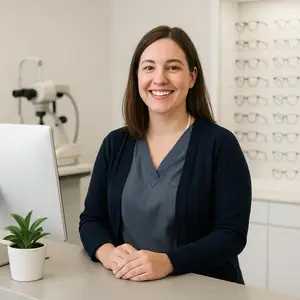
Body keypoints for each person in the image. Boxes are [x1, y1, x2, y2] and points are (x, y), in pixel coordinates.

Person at [79, 25, 252, 284]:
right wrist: (108, 253)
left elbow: (231, 234)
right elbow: (91, 220)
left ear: (192, 77)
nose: (159, 79)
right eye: (149, 67)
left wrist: (169, 262)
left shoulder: (220, 144)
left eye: (172, 67)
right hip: (128, 287)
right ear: (137, 76)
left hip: (203, 289)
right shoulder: (115, 144)